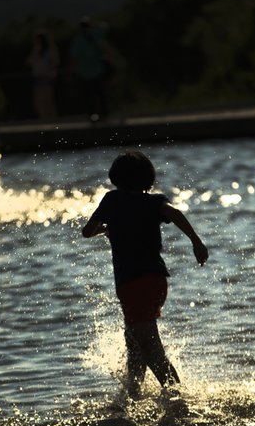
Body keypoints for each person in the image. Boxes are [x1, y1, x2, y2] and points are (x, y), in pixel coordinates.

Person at [82, 150, 209, 399]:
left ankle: (176, 397)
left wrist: (106, 229)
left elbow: (87, 231)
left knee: (149, 344)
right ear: (147, 179)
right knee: (134, 340)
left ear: (115, 178)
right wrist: (196, 242)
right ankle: (133, 395)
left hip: (132, 283)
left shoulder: (112, 201)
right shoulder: (153, 202)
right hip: (155, 280)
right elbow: (175, 213)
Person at [69, 17, 110, 122]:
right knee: (100, 93)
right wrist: (95, 24)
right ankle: (104, 114)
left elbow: (74, 57)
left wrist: (73, 71)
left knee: (90, 95)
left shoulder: (78, 40)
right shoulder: (96, 34)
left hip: (85, 72)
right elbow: (105, 26)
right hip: (98, 69)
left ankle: (93, 115)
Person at [25, 30, 59, 120]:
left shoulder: (49, 50)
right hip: (37, 77)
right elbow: (28, 61)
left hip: (47, 77)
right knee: (38, 101)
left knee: (48, 100)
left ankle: (53, 121)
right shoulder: (36, 50)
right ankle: (44, 119)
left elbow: (55, 62)